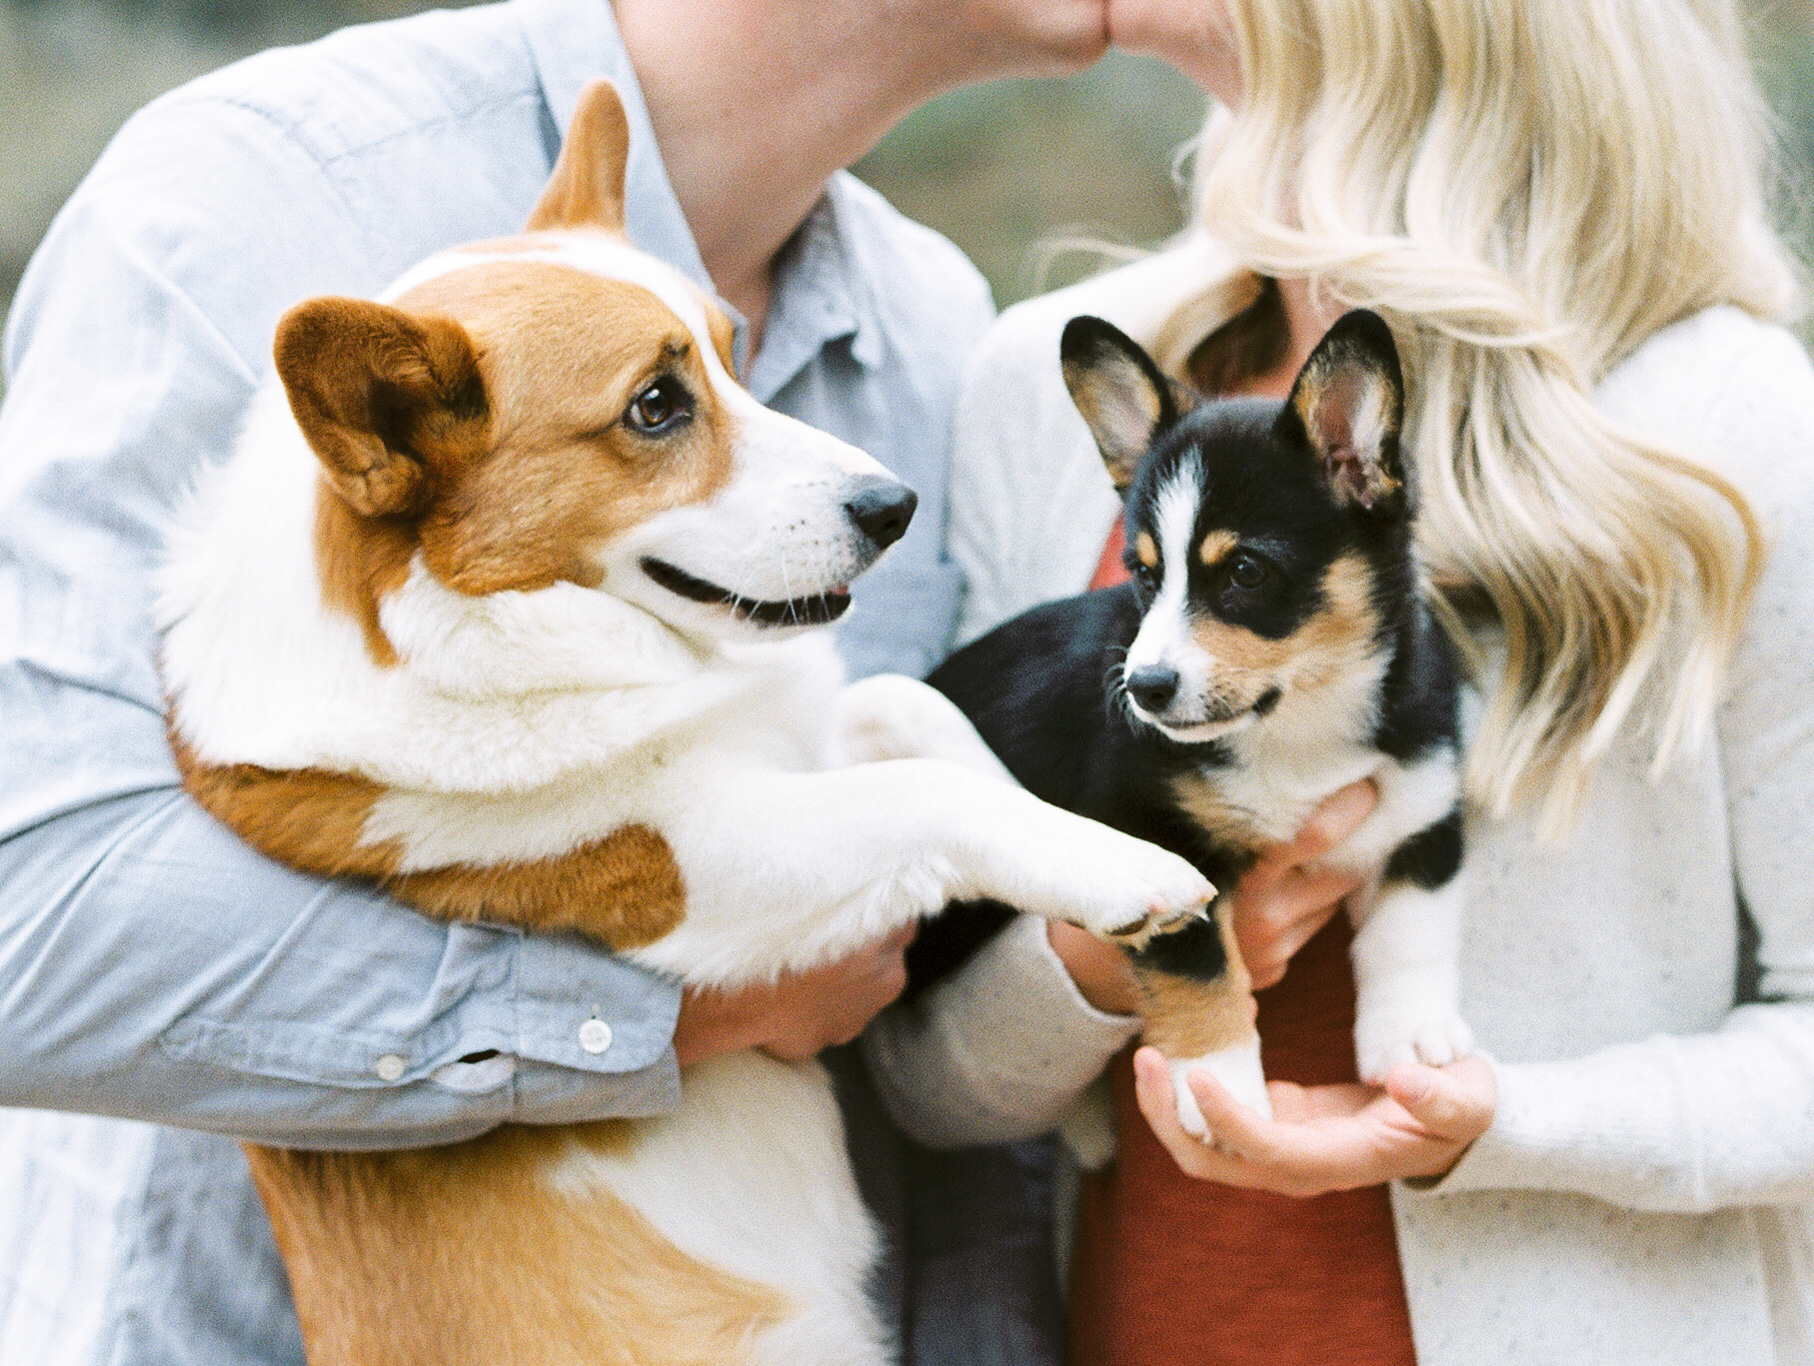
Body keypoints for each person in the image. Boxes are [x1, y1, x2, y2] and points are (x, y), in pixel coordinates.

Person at [0, 1, 1115, 1361]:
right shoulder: (236, 199)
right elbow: (27, 926)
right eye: (657, 409)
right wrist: (676, 994)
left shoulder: (938, 322)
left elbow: (923, 1070)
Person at [865, 0, 1814, 1362]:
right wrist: (1106, 954)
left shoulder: (1718, 422)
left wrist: (1490, 1122)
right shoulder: (1051, 377)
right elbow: (920, 1087)